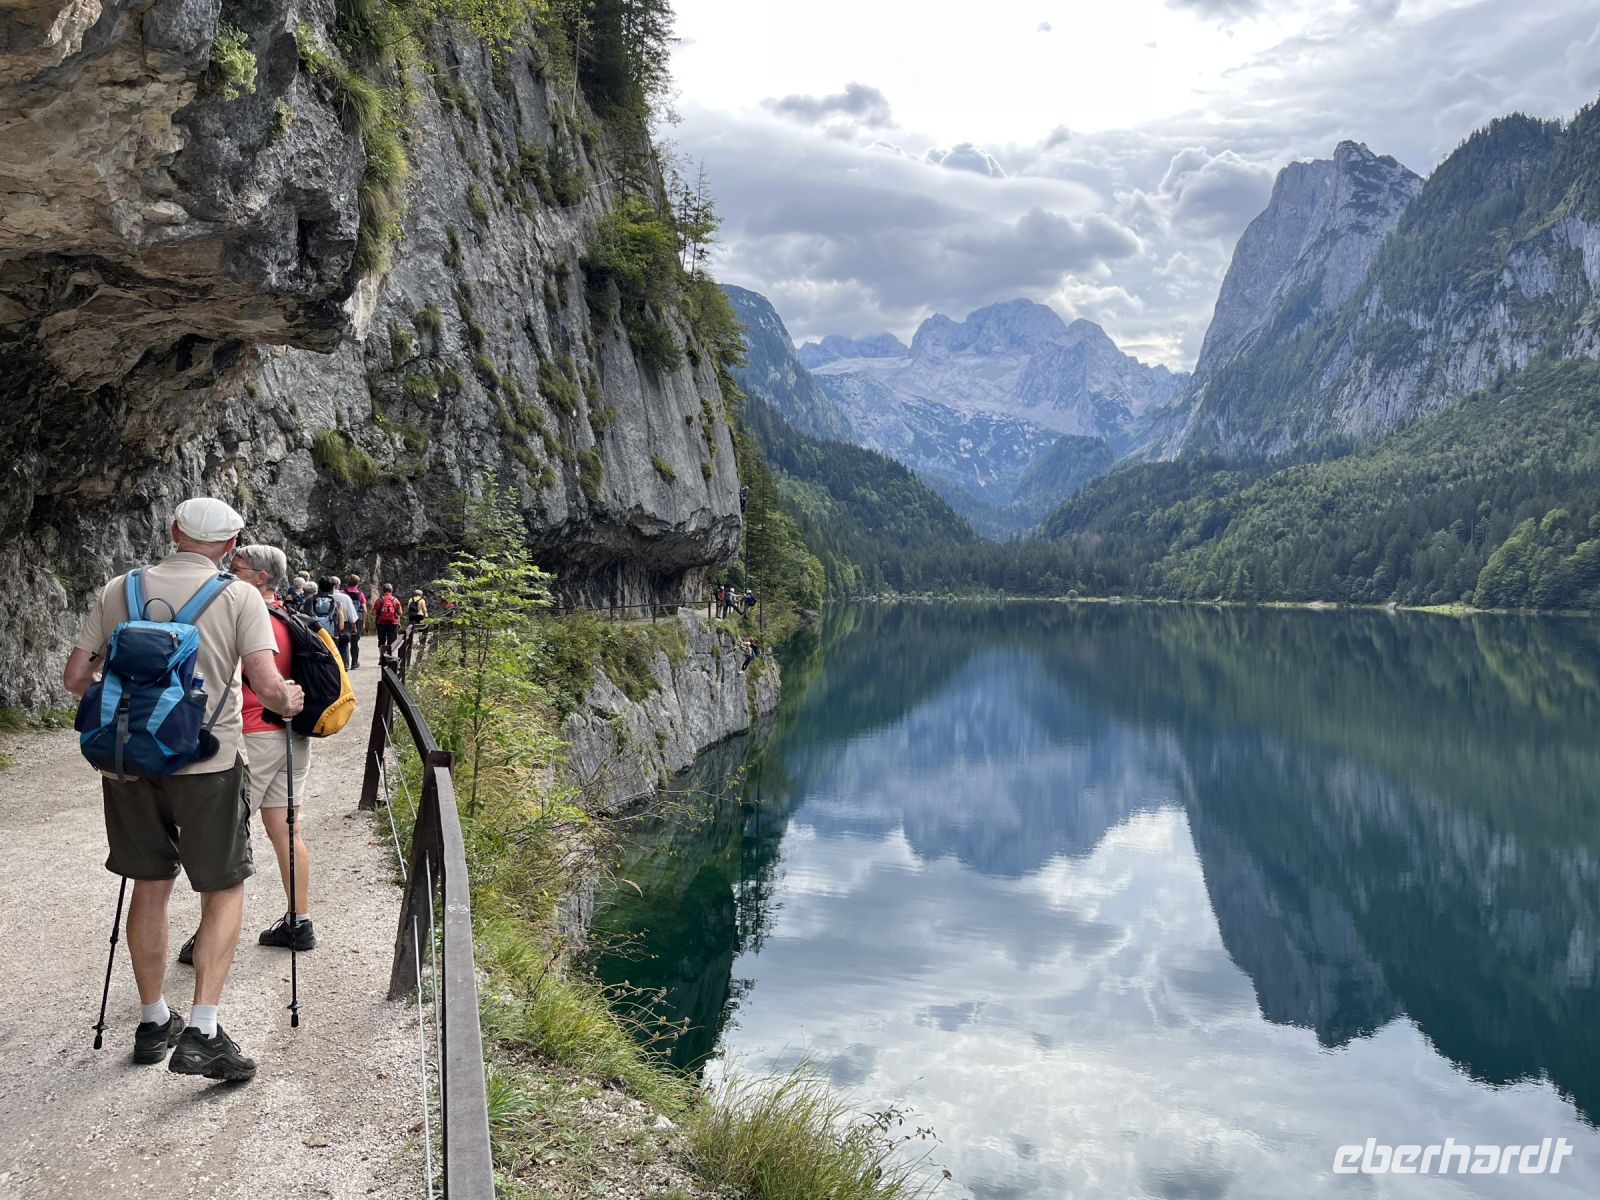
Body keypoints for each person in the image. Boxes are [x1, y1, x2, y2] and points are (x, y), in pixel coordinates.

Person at [63, 498, 304, 1082]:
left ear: (172, 531)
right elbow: (268, 689)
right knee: (222, 888)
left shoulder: (119, 589)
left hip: (128, 761)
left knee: (149, 886)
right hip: (209, 764)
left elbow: (76, 679)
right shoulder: (242, 596)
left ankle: (152, 1021)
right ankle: (203, 1031)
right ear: (231, 543)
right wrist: (290, 701)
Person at [306, 576, 345, 645]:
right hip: (331, 638)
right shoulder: (337, 603)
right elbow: (341, 626)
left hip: (314, 636)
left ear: (319, 588)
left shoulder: (309, 601)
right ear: (332, 588)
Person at [339, 573, 366, 669]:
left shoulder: (342, 592)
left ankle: (343, 663)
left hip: (345, 619)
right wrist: (363, 622)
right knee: (354, 642)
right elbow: (364, 609)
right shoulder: (360, 593)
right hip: (356, 619)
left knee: (344, 640)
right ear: (357, 583)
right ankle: (354, 663)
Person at [373, 583, 403, 657]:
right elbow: (400, 612)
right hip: (393, 622)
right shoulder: (395, 600)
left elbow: (373, 613)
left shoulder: (379, 600)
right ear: (391, 590)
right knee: (391, 640)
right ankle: (389, 656)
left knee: (381, 640)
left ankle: (382, 657)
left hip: (381, 622)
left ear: (383, 591)